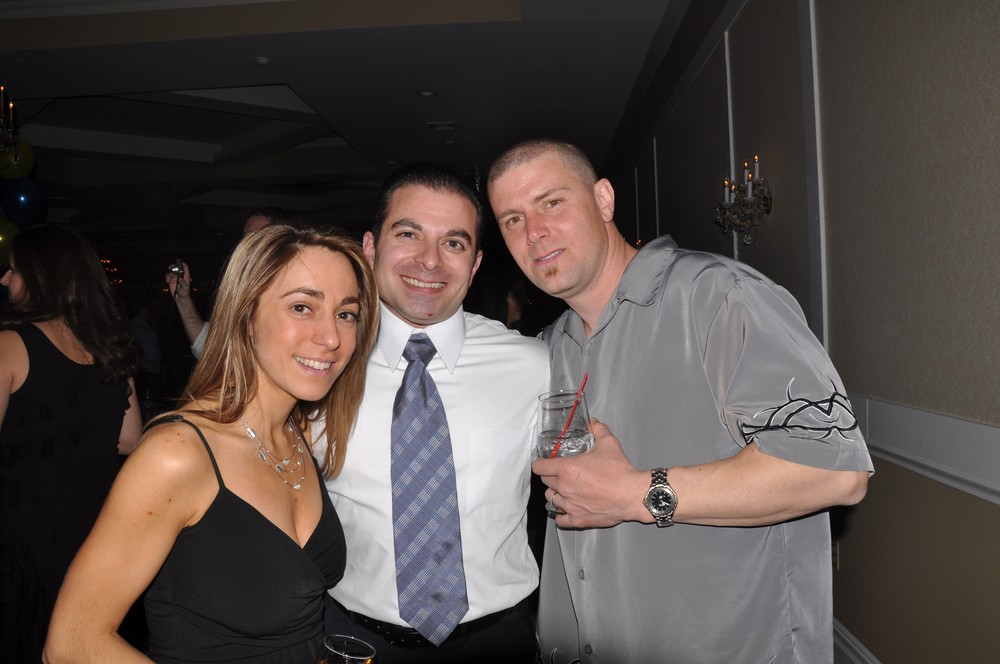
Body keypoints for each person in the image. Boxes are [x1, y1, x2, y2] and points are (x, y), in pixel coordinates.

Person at [487, 139, 873, 664]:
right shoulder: (551, 347)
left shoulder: (719, 296)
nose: (534, 231)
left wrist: (635, 493)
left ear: (603, 200)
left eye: (551, 202)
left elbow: (834, 471)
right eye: (512, 220)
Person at [44, 224, 379, 663]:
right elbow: (70, 643)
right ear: (246, 316)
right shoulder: (177, 454)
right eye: (302, 307)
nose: (332, 337)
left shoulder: (298, 432)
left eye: (346, 314)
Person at [317, 163, 548, 663]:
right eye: (408, 234)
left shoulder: (533, 367)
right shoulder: (321, 364)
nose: (430, 260)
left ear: (475, 263)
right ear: (370, 247)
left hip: (498, 643)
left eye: (454, 243)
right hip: (354, 641)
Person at [0, 225, 143, 662]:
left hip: (19, 545)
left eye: (14, 269)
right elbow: (130, 440)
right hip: (92, 537)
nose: (4, 279)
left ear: (42, 275)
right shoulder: (109, 349)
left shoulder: (10, 345)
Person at [166, 208, 289, 359]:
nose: (246, 244)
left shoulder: (293, 287)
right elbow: (209, 350)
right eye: (245, 237)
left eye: (257, 236)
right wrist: (183, 299)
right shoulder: (240, 290)